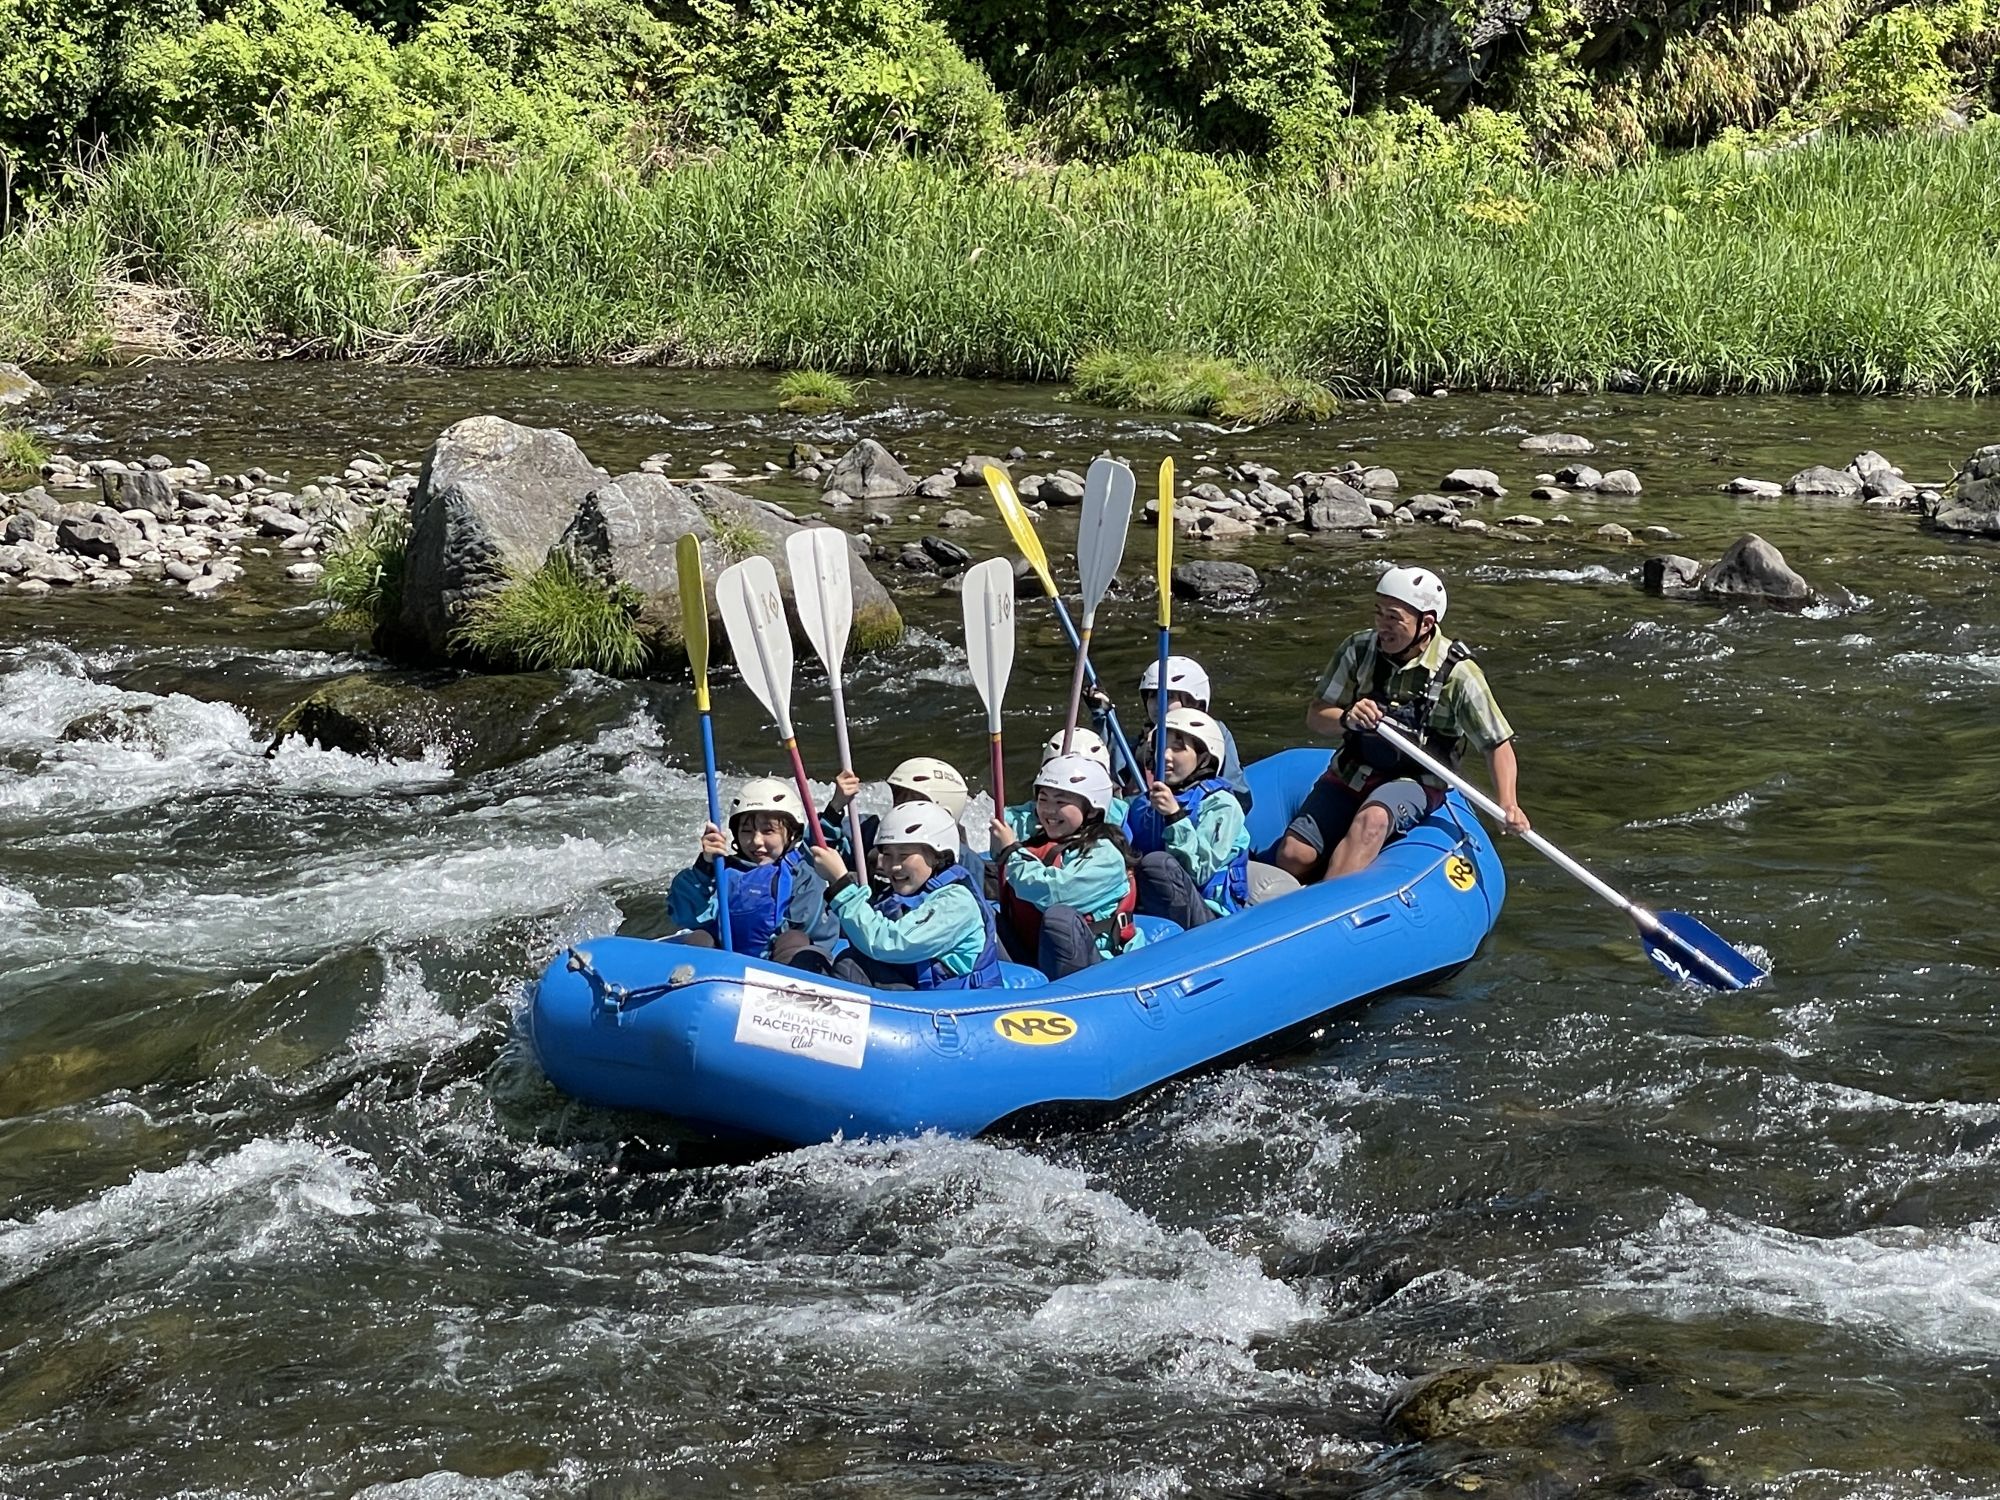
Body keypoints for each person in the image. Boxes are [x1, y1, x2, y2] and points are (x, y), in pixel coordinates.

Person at [1271, 565, 1528, 882]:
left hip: (1417, 781)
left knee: (1373, 819)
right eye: (1379, 614)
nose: (1382, 626)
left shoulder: (1460, 674)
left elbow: (1496, 744)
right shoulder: (1358, 649)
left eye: (1393, 618)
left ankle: (1323, 907)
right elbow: (1317, 715)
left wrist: (1508, 803)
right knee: (1293, 856)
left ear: (1426, 623)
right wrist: (1347, 718)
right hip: (1354, 770)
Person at [789, 802, 1003, 990]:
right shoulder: (910, 893)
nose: (894, 866)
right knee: (809, 957)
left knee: (851, 964)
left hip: (949, 1006)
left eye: (904, 855)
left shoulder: (956, 903)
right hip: (915, 988)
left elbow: (890, 942)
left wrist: (841, 883)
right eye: (888, 855)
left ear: (939, 856)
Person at [990, 753, 1144, 980]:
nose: (1049, 810)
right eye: (1044, 799)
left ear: (1091, 810)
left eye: (1061, 802)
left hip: (1094, 960)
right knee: (981, 912)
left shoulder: (1105, 856)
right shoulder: (1039, 838)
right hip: (1034, 949)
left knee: (1059, 917)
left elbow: (1056, 893)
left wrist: (1011, 852)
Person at [667, 777, 837, 957]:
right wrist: (705, 864)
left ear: (792, 834)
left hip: (776, 962)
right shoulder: (721, 870)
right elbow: (685, 914)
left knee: (794, 939)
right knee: (699, 938)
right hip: (725, 960)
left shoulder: (801, 874)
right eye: (746, 831)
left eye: (768, 831)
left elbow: (811, 925)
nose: (756, 841)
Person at [1125, 707, 1250, 929]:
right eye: (1161, 747)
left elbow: (1200, 871)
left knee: (1157, 865)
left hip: (1209, 914)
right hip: (1150, 909)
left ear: (1204, 756)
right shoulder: (1143, 803)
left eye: (1178, 748)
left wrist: (1175, 817)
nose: (1165, 756)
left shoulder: (1221, 805)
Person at [821, 755, 984, 883]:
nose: (904, 809)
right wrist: (835, 807)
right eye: (900, 800)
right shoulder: (867, 831)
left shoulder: (963, 861)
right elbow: (816, 853)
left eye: (916, 802)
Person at [1127, 655, 1251, 808]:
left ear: (1194, 702)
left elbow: (1238, 794)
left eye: (1169, 696)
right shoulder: (1143, 740)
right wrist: (1101, 715)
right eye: (1153, 696)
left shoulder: (1214, 733)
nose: (1159, 704)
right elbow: (1114, 773)